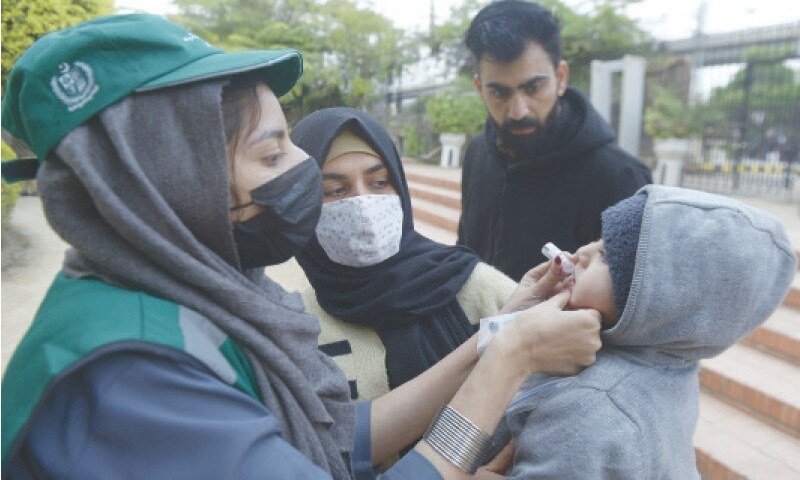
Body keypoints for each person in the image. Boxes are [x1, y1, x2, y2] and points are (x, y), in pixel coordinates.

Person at [0, 14, 602, 479]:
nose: (301, 171)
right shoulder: (130, 373)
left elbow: (341, 435)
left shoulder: (193, 299)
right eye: (270, 154)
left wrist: (497, 333)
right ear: (173, 182)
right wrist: (510, 361)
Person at [485, 185, 796, 479]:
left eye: (605, 256)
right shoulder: (666, 362)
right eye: (597, 240)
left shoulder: (591, 409)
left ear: (662, 300)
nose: (580, 253)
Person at [290, 107, 519, 402]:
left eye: (379, 183)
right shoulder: (299, 329)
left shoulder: (477, 290)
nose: (362, 203)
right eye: (335, 190)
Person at [458, 0, 652, 281]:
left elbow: (632, 304)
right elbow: (466, 251)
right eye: (499, 93)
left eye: (533, 88)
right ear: (479, 89)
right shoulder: (478, 154)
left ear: (560, 78)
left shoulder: (620, 178)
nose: (518, 111)